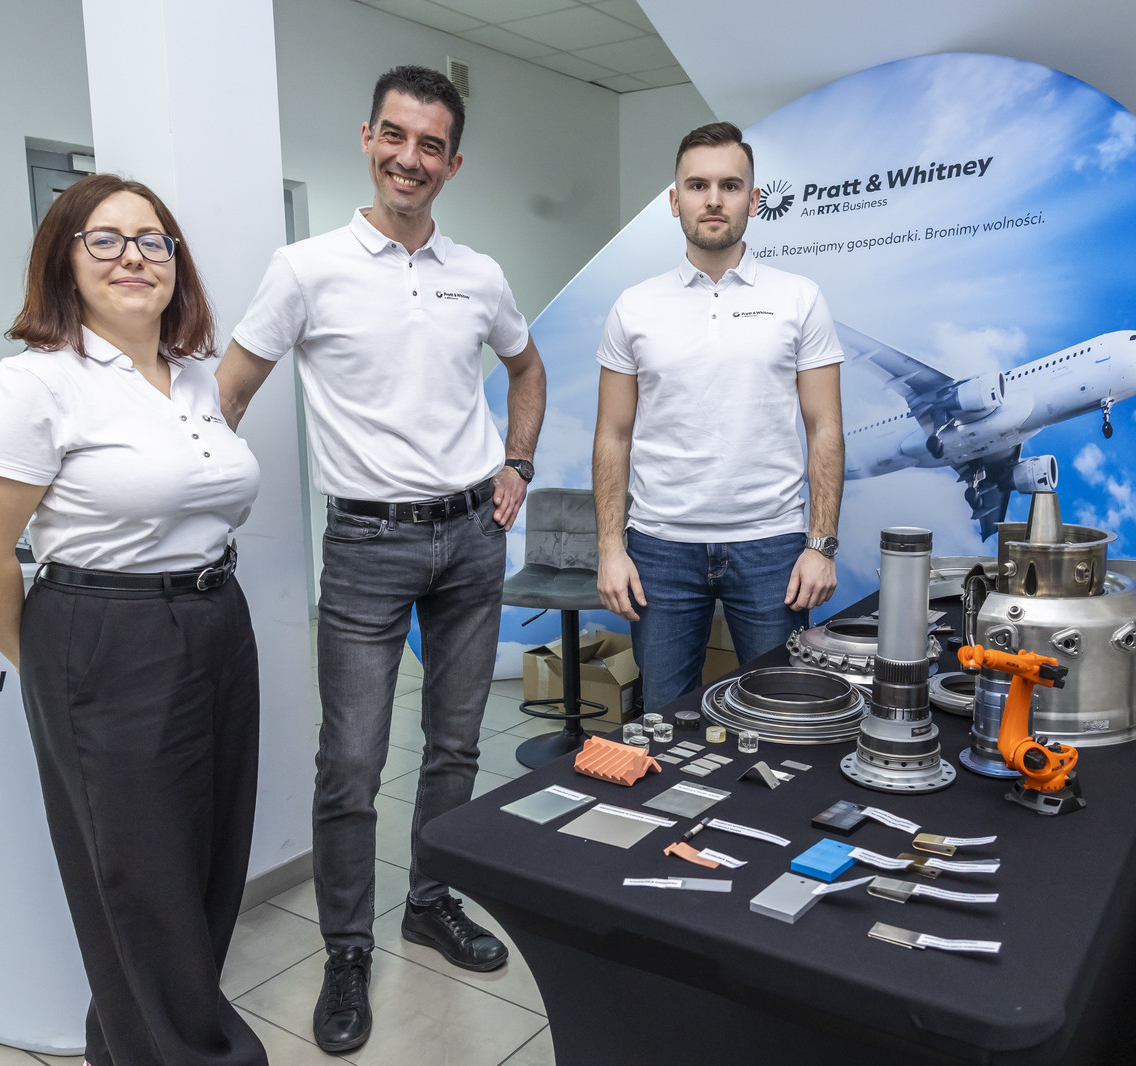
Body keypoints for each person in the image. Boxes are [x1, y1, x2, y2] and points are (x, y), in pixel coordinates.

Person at [215, 65, 545, 1053]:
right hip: (365, 543)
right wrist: (191, 503)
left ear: (452, 162)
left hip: (471, 536)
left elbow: (526, 367)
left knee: (455, 745)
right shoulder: (305, 268)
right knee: (352, 762)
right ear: (368, 139)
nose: (410, 158)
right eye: (394, 136)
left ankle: (431, 903)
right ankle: (348, 948)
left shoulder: (478, 274)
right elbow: (229, 390)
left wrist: (518, 463)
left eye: (430, 144)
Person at [0, 174, 266, 1066]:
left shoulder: (194, 378)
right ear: (64, 259)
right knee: (142, 883)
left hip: (215, 621)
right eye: (106, 239)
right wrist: (54, 670)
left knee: (206, 862)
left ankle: (122, 1047)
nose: (134, 256)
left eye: (153, 240)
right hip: (105, 634)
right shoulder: (32, 386)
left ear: (176, 263)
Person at [594, 121, 845, 712]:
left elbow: (825, 429)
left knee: (784, 711)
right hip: (660, 548)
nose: (713, 199)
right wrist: (609, 548)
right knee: (665, 717)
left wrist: (822, 544)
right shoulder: (634, 306)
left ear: (753, 200)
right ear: (674, 200)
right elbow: (612, 435)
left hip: (771, 546)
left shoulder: (799, 298)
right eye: (697, 185)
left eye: (730, 186)